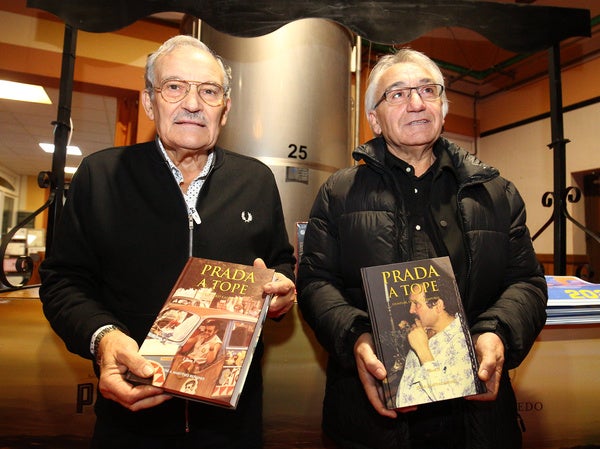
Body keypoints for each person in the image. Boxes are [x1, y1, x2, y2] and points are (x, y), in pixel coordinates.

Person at [39, 34, 296, 449]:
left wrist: (282, 291)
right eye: (175, 87)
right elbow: (63, 282)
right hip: (132, 417)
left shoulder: (257, 181)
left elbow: (280, 264)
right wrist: (104, 337)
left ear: (225, 109)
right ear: (148, 101)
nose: (192, 103)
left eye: (209, 91)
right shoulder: (101, 176)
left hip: (232, 425)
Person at [297, 48, 547, 449]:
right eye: (396, 94)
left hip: (476, 420)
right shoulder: (339, 193)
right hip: (370, 417)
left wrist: (496, 333)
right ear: (374, 119)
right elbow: (315, 283)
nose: (416, 103)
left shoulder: (496, 193)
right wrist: (358, 337)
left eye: (427, 90)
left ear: (444, 108)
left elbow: (527, 284)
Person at [396, 286, 479, 407]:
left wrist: (423, 350)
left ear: (438, 305)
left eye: (416, 304)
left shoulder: (464, 339)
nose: (411, 310)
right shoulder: (423, 332)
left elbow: (450, 396)